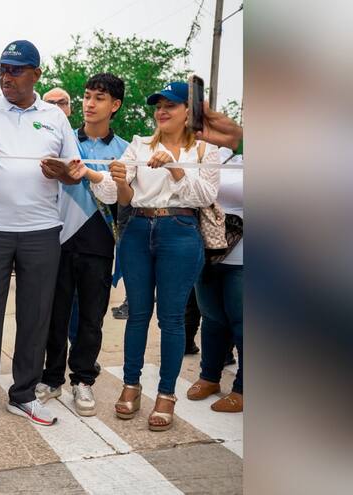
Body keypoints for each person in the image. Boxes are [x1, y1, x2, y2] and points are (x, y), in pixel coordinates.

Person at [0, 40, 81, 432]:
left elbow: (73, 170)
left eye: (15, 70)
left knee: (35, 314)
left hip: (42, 229)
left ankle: (23, 394)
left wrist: (58, 172)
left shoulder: (55, 117)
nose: (6, 77)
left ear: (36, 75)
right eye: (2, 70)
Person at [89, 81, 219, 432]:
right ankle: (131, 385)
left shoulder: (206, 150)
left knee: (172, 319)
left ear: (188, 112)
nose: (161, 111)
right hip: (137, 230)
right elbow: (124, 197)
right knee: (137, 315)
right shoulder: (139, 145)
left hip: (179, 230)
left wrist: (175, 167)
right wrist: (109, 178)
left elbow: (205, 195)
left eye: (170, 105)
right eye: (157, 105)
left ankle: (166, 395)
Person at [40, 73, 129, 417]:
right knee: (55, 313)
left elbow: (126, 199)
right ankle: (50, 377)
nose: (90, 104)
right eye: (87, 96)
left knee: (92, 315)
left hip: (99, 240)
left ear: (115, 105)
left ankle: (83, 379)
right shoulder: (62, 140)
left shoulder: (125, 150)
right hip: (58, 236)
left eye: (100, 98)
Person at [187, 148, 243, 412]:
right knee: (211, 318)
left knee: (243, 323)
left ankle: (243, 388)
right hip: (208, 251)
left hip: (244, 256)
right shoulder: (214, 155)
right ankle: (209, 377)